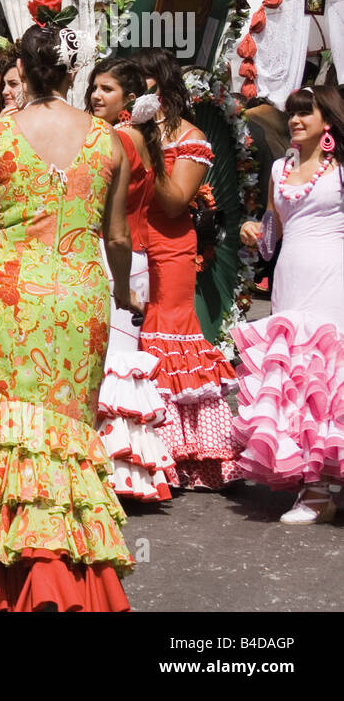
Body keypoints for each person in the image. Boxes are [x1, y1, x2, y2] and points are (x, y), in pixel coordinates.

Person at [0, 11, 134, 611]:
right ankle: (61, 575)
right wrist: (121, 293)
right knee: (64, 433)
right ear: (72, 70)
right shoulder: (106, 139)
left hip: (11, 294)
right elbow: (117, 235)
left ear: (23, 72)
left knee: (3, 433)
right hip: (81, 293)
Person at [235, 86, 344, 522]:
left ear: (328, 122)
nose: (296, 121)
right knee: (298, 379)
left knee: (330, 378)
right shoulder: (280, 167)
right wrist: (251, 230)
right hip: (290, 279)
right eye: (293, 114)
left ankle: (322, 489)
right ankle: (314, 485)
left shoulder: (340, 171)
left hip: (334, 277)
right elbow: (270, 235)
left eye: (306, 114)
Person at [134, 49, 240, 491]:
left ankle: (182, 453)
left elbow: (177, 201)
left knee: (165, 334)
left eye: (143, 82)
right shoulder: (126, 132)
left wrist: (149, 146)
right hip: (128, 245)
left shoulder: (189, 137)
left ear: (159, 86)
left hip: (170, 247)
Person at [85, 57, 174, 502]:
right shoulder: (142, 136)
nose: (96, 96)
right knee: (120, 360)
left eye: (107, 89)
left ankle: (110, 472)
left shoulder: (118, 138)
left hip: (112, 255)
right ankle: (126, 472)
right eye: (94, 88)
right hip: (135, 258)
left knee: (108, 364)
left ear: (130, 99)